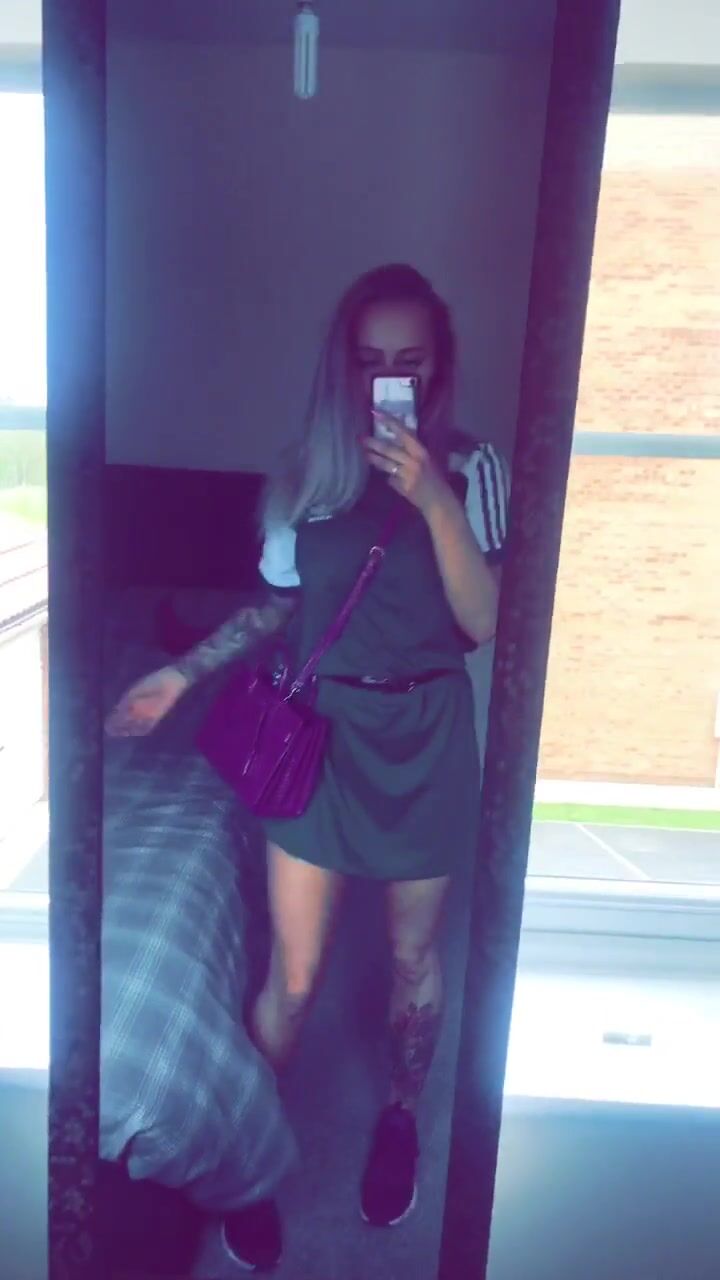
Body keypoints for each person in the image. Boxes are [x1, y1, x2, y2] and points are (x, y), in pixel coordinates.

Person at [106, 263, 510, 1272]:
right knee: (293, 975)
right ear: (342, 367)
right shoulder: (303, 476)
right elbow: (280, 607)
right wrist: (181, 671)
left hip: (425, 737)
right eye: (369, 361)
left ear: (439, 367)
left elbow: (481, 619)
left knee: (413, 960)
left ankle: (401, 1114)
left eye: (408, 361)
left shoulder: (477, 470)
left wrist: (432, 496)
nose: (388, 380)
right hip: (320, 734)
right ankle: (250, 1148)